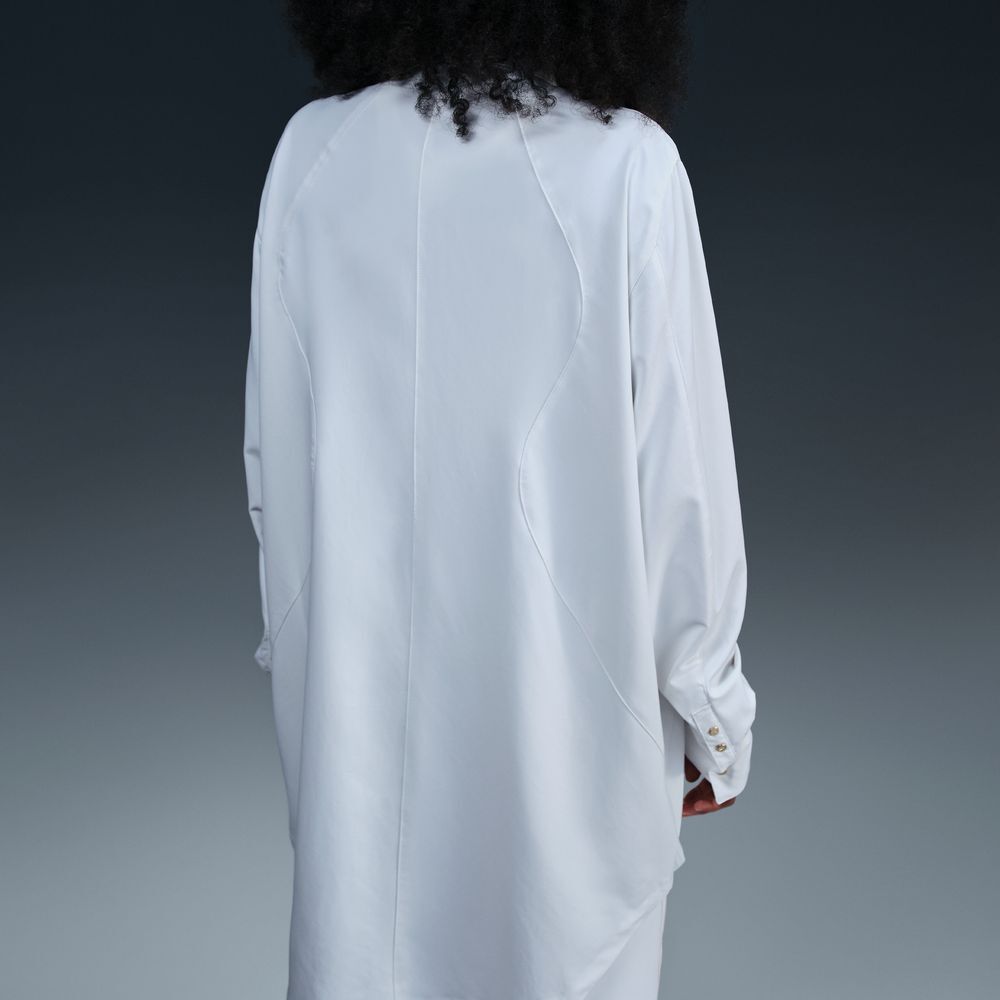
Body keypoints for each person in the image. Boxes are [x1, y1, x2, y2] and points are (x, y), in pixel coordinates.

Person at [242, 2, 757, 997]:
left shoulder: (310, 155)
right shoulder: (626, 168)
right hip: (563, 727)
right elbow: (682, 484)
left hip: (354, 733)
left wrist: (307, 664)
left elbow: (273, 453)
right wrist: (709, 708)